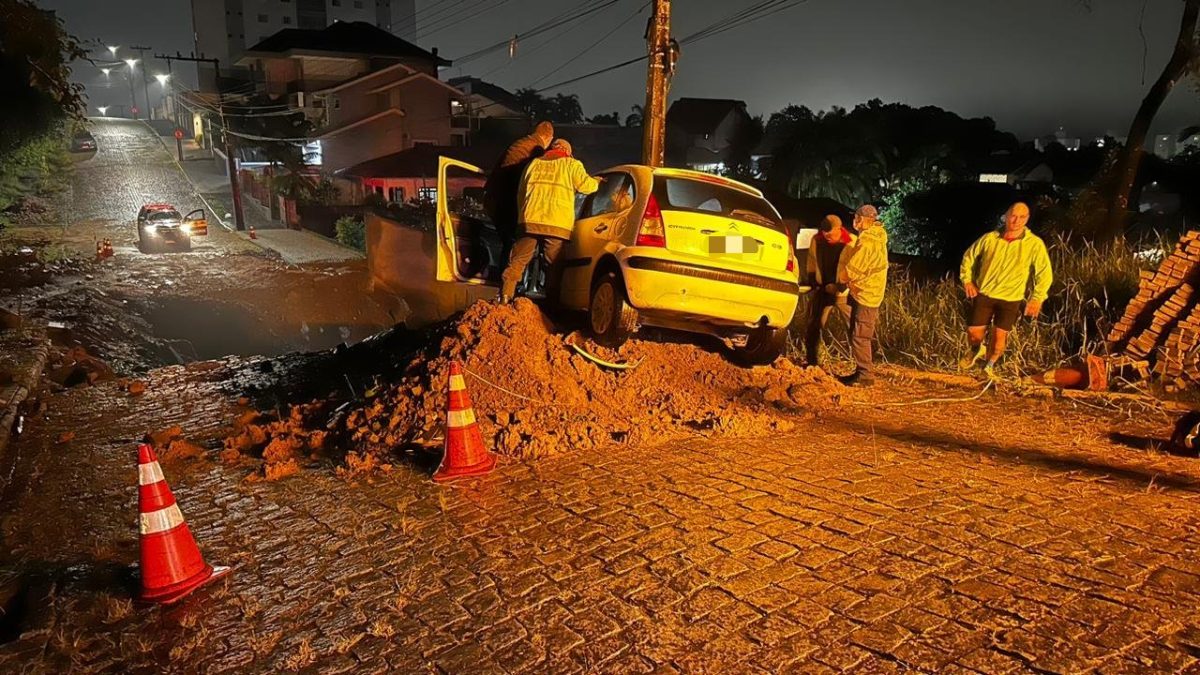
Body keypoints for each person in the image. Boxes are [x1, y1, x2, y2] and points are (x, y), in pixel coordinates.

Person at [958, 201, 1053, 377]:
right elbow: (968, 257)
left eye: (1022, 217)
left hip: (1011, 298)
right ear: (1006, 216)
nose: (1016, 220)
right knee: (974, 334)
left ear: (1027, 219)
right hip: (985, 293)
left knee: (999, 339)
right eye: (1013, 216)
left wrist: (1037, 297)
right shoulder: (990, 238)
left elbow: (1044, 272)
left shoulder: (1034, 244)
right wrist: (967, 281)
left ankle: (989, 366)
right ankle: (976, 348)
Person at [500, 138, 599, 303]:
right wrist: (596, 181)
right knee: (553, 267)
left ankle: (504, 296)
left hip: (529, 220)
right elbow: (587, 187)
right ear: (568, 152)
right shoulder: (571, 164)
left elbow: (521, 193)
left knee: (517, 261)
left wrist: (521, 218)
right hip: (557, 224)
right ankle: (551, 306)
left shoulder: (533, 164)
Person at [484, 121, 555, 271]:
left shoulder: (521, 143)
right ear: (549, 137)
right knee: (513, 245)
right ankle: (505, 287)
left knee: (508, 242)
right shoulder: (537, 150)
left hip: (493, 197)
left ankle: (503, 286)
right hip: (507, 201)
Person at [836, 205, 889, 386]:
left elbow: (852, 270)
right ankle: (861, 370)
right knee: (856, 329)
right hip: (863, 292)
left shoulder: (867, 242)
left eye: (857, 218)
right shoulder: (875, 236)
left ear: (865, 220)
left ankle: (865, 375)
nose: (855, 221)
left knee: (860, 336)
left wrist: (840, 281)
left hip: (868, 295)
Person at [803, 214, 856, 367]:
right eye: (824, 233)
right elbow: (811, 262)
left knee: (854, 326)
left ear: (839, 229)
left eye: (830, 234)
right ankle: (812, 362)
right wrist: (813, 281)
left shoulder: (851, 242)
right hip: (823, 288)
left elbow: (856, 268)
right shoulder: (817, 240)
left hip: (844, 291)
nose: (827, 237)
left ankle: (862, 364)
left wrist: (840, 286)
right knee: (814, 326)